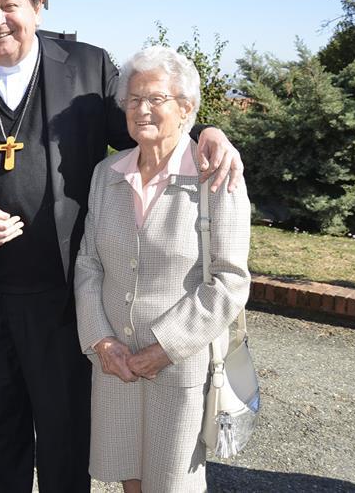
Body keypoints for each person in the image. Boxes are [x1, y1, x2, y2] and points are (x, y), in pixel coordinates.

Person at [0, 0, 244, 492]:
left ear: (37, 7)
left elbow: (145, 123)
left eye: (9, 5)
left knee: (66, 439)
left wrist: (208, 132)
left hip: (65, 296)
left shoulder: (88, 67)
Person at [74, 46, 251, 491]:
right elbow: (88, 263)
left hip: (179, 367)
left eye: (155, 99)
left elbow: (229, 280)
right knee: (128, 478)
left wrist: (164, 347)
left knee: (172, 484)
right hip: (115, 364)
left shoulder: (216, 177)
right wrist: (101, 339)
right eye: (133, 100)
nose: (142, 110)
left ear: (186, 108)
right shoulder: (106, 174)